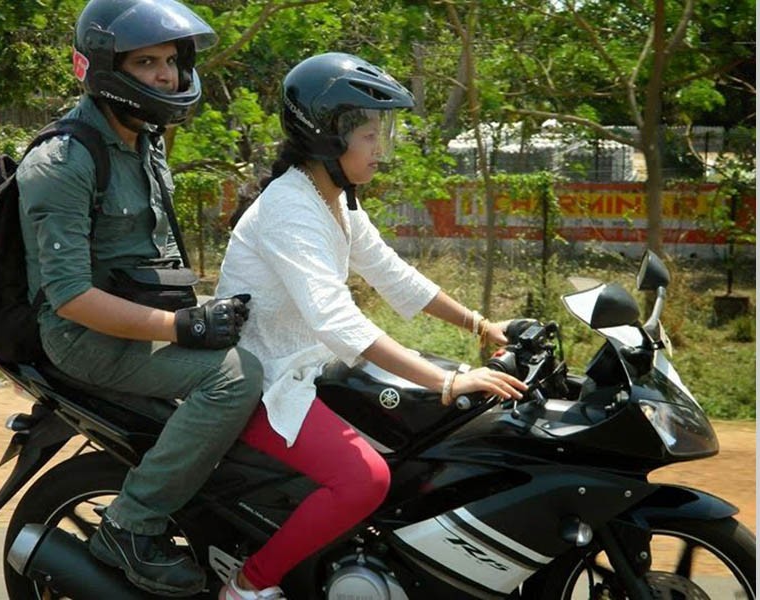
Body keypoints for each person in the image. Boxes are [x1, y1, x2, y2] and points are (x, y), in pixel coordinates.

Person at [213, 52, 529, 600]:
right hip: (263, 384)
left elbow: (393, 275)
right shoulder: (290, 209)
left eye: (382, 132)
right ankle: (247, 585)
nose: (381, 148)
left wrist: (482, 325)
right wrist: (448, 381)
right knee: (366, 478)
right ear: (327, 136)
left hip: (307, 371)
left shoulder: (333, 201)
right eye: (368, 133)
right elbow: (339, 321)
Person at [16, 0, 263, 596]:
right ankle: (131, 524)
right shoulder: (62, 161)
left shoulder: (143, 142)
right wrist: (183, 329)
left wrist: (198, 313)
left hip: (144, 324)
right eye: (147, 61)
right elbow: (71, 298)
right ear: (104, 68)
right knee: (235, 378)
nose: (167, 76)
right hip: (85, 340)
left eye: (172, 61)